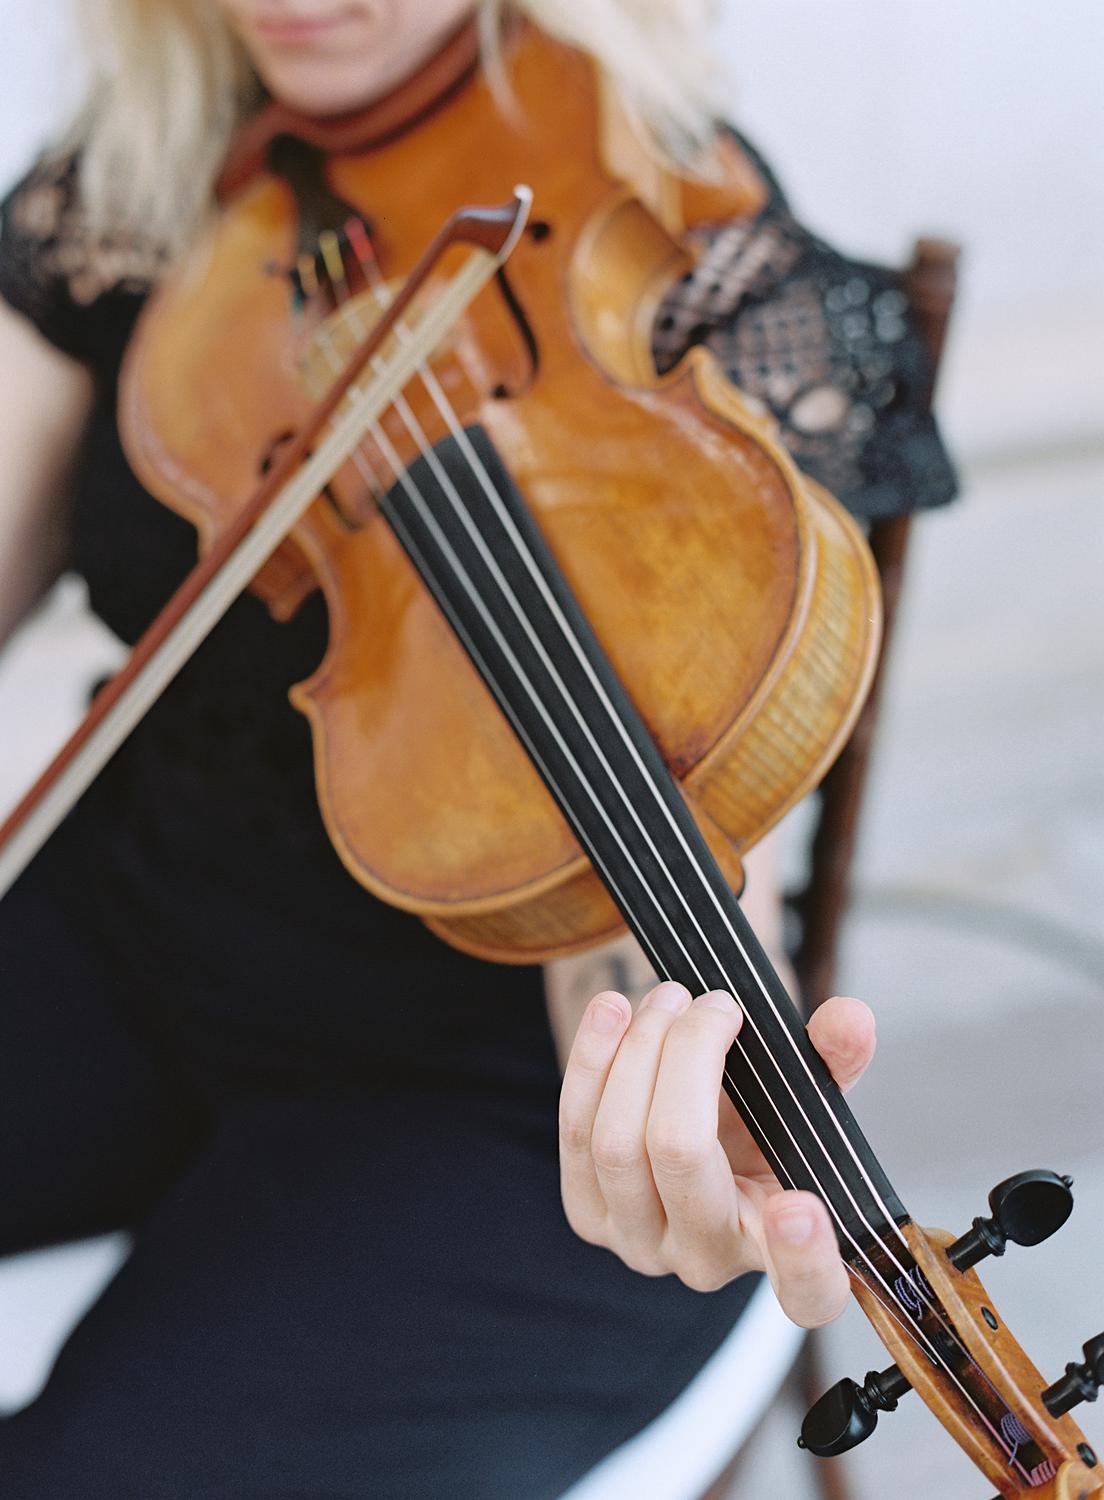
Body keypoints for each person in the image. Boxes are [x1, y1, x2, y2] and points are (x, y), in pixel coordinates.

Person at [0, 2, 956, 1495]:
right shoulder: (136, 187)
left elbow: (640, 901)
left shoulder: (697, 270)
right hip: (131, 935)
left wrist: (665, 1085)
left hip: (480, 1102)